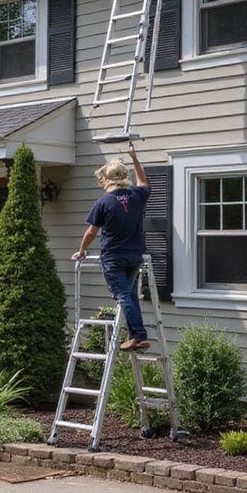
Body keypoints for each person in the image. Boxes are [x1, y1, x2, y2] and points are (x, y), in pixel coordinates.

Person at [72, 144, 150, 352]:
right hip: (135, 256)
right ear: (124, 177)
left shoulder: (104, 202)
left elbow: (91, 232)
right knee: (130, 295)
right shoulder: (137, 196)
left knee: (123, 295)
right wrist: (134, 159)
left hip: (114, 257)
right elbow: (143, 182)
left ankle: (139, 335)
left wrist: (81, 251)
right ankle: (135, 335)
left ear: (106, 179)